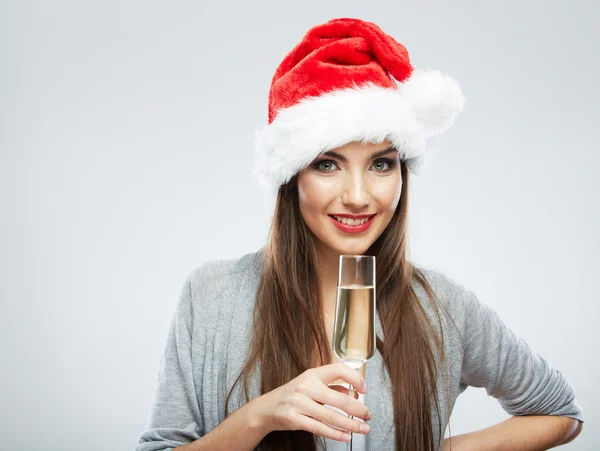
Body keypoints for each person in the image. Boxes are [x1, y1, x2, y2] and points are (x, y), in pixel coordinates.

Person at [136, 18, 584, 451]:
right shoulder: (213, 296)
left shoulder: (443, 307)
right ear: (293, 176)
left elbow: (561, 412)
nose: (357, 196)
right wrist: (259, 417)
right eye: (327, 164)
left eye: (381, 164)